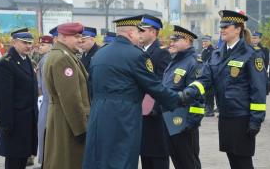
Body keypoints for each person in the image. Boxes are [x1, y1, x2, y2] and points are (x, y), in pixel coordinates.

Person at [83, 16, 191, 169]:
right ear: (131, 33)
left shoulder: (100, 54)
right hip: (124, 115)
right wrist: (179, 99)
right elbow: (153, 86)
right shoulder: (136, 55)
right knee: (122, 158)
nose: (140, 36)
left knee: (101, 157)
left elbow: (90, 85)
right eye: (138, 32)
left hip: (98, 113)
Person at [184, 10, 267, 169]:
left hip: (243, 117)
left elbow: (258, 89)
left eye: (226, 26)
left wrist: (256, 120)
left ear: (238, 29)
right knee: (233, 160)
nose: (221, 29)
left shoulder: (251, 54)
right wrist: (187, 93)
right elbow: (204, 80)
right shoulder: (216, 54)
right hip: (225, 115)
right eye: (221, 26)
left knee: (243, 162)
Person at [43, 23, 90, 169]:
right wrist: (81, 129)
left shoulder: (64, 55)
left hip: (63, 118)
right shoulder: (63, 59)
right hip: (67, 121)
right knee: (66, 161)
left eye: (81, 36)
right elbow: (71, 99)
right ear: (62, 37)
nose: (80, 40)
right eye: (76, 36)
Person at [0, 28, 38, 169]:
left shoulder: (26, 60)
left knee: (22, 160)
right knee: (14, 162)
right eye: (24, 42)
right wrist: (6, 125)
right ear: (14, 42)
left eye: (30, 43)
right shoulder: (6, 63)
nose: (28, 46)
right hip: (14, 123)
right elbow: (2, 98)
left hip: (27, 121)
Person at [164, 25, 203, 169]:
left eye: (176, 40)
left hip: (184, 123)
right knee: (178, 162)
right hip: (171, 121)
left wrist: (192, 122)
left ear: (187, 41)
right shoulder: (175, 60)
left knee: (189, 163)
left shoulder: (194, 63)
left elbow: (198, 94)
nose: (171, 43)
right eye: (171, 39)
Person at [138, 14, 171, 169]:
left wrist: (153, 108)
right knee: (145, 157)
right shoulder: (139, 52)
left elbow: (161, 84)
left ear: (153, 32)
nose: (139, 33)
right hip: (141, 113)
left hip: (155, 114)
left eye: (143, 31)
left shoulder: (161, 53)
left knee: (157, 157)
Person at [36, 35, 54, 166]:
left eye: (43, 45)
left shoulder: (47, 59)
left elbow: (43, 86)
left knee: (45, 134)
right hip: (45, 101)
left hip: (48, 102)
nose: (40, 47)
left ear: (50, 46)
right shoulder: (44, 59)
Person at [201, 35, 215, 117]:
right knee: (205, 93)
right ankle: (207, 108)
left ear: (209, 42)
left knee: (210, 94)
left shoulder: (212, 50)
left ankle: (210, 110)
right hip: (204, 74)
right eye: (203, 41)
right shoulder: (204, 50)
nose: (204, 43)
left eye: (205, 41)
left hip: (210, 74)